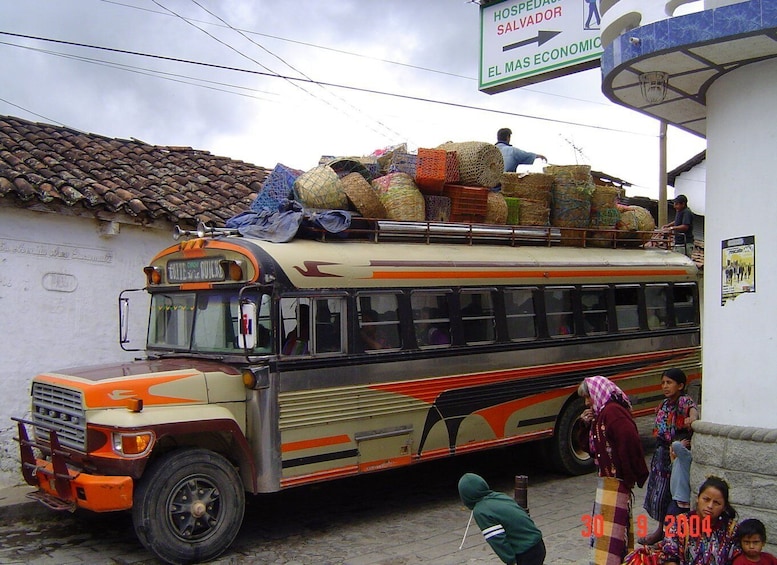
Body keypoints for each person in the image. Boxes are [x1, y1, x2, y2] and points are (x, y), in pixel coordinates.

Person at [578, 375, 649, 565]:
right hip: (608, 482)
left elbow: (629, 442)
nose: (587, 403)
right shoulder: (601, 414)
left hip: (616, 482)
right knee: (608, 530)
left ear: (597, 393)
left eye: (588, 397)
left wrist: (628, 476)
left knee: (611, 533)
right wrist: (585, 425)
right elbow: (591, 448)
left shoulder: (613, 413)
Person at [640, 368, 699, 546]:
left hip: (675, 455)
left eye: (669, 382)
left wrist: (692, 419)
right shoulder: (664, 404)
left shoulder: (683, 401)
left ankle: (671, 534)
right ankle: (660, 530)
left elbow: (692, 410)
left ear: (680, 385)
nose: (665, 386)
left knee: (671, 494)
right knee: (658, 493)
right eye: (663, 383)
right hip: (661, 454)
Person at [457, 473, 545, 565]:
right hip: (537, 543)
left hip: (525, 551)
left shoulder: (481, 511)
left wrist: (510, 560)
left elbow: (497, 538)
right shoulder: (498, 496)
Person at [660, 476, 738, 565]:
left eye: (716, 503)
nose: (710, 506)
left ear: (724, 507)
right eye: (706, 499)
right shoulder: (678, 524)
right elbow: (669, 558)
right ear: (698, 498)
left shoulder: (731, 530)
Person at [668, 440, 692, 518]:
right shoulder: (678, 460)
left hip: (682, 500)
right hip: (676, 498)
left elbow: (675, 444)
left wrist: (681, 444)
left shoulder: (686, 457)